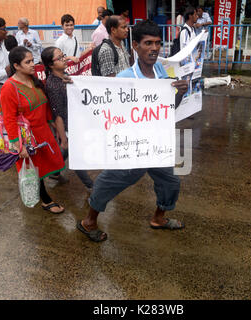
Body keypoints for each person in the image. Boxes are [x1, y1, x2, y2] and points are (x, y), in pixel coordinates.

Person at [77, 20, 189, 242]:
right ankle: (89, 221)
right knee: (111, 181)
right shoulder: (124, 79)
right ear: (136, 46)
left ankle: (158, 218)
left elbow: (166, 110)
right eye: (148, 43)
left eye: (158, 43)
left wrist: (179, 93)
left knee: (170, 182)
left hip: (157, 143)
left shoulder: (160, 72)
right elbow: (109, 113)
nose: (154, 48)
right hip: (133, 146)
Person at [0, 46, 65, 214]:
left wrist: (53, 124)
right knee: (35, 170)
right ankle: (45, 200)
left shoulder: (34, 78)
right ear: (16, 66)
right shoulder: (9, 88)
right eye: (27, 62)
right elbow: (9, 119)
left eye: (32, 61)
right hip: (27, 138)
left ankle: (44, 195)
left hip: (43, 132)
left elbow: (45, 103)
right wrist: (18, 145)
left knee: (47, 164)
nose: (32, 65)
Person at [42, 46, 94, 191]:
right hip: (66, 125)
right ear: (51, 65)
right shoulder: (53, 85)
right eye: (59, 58)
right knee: (76, 156)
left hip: (73, 122)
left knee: (67, 151)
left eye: (63, 55)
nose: (64, 59)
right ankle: (91, 186)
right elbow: (57, 114)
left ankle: (55, 171)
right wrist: (63, 137)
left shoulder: (63, 76)